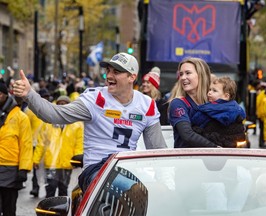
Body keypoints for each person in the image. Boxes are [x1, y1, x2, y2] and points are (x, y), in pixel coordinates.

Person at [12, 52, 167, 193]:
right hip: (96, 170)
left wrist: (165, 185)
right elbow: (55, 115)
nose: (109, 76)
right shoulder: (95, 99)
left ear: (131, 77)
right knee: (132, 191)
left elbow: (158, 151)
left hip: (127, 171)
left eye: (116, 72)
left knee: (143, 192)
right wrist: (29, 94)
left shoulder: (147, 105)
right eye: (108, 71)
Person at [33, 95, 84, 198]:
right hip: (51, 163)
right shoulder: (48, 123)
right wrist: (36, 159)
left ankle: (61, 213)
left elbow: (79, 143)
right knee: (50, 189)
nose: (62, 106)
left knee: (63, 190)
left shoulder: (76, 125)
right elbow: (41, 143)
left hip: (66, 163)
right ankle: (49, 213)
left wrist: (77, 159)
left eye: (64, 104)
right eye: (59, 104)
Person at [168, 57, 219, 148]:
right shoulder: (178, 103)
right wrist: (215, 148)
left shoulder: (213, 103)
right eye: (181, 74)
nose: (183, 78)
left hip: (212, 160)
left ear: (201, 75)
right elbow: (187, 135)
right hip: (187, 159)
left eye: (188, 73)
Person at [0, 81, 33, 216]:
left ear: (3, 95)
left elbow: (26, 144)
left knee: (9, 208)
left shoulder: (21, 117)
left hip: (11, 169)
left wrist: (23, 169)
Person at [191, 76, 246, 148]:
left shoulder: (207, 111)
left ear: (226, 96)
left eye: (214, 90)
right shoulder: (236, 112)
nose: (209, 93)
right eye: (210, 89)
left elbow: (195, 129)